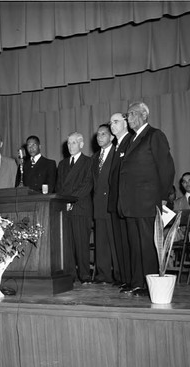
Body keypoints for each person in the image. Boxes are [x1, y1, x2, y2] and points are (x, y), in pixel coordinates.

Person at [117, 102, 175, 296]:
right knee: (135, 244)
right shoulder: (132, 139)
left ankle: (149, 284)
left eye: (131, 114)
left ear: (144, 114)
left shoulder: (154, 135)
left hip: (148, 201)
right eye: (128, 115)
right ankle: (136, 282)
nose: (129, 118)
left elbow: (166, 168)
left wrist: (163, 197)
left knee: (147, 245)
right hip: (131, 203)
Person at [56, 132, 93, 284]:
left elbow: (87, 184)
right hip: (65, 208)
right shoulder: (63, 164)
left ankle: (85, 275)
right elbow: (58, 186)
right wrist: (62, 202)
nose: (71, 146)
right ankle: (70, 275)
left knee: (81, 243)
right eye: (69, 143)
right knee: (68, 244)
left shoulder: (89, 162)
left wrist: (71, 200)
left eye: (74, 143)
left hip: (80, 207)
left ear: (81, 144)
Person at [107, 112, 133, 290]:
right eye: (110, 123)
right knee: (120, 244)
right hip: (116, 202)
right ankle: (126, 278)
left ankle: (132, 280)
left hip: (126, 202)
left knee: (128, 243)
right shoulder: (117, 145)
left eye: (116, 121)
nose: (112, 125)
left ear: (126, 123)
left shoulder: (130, 141)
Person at [92, 124, 118, 284]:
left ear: (112, 137)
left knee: (115, 242)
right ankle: (103, 274)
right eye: (98, 134)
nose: (99, 137)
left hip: (112, 205)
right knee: (100, 242)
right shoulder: (95, 157)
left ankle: (119, 275)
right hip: (98, 205)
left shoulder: (118, 154)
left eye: (103, 134)